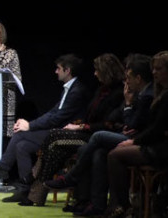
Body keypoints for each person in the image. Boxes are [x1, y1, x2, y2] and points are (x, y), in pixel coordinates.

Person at [45, 53, 155, 216]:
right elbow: (119, 118)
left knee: (88, 139)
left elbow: (126, 121)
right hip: (110, 133)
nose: (94, 74)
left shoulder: (133, 94)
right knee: (92, 151)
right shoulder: (106, 91)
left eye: (97, 70)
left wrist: (128, 107)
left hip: (111, 135)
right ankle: (92, 203)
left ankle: (67, 179)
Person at [0, 54, 91, 203]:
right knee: (22, 146)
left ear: (67, 70)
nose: (56, 71)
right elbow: (53, 113)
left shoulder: (77, 91)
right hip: (58, 132)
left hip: (66, 135)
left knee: (19, 136)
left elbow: (58, 118)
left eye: (58, 68)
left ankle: (2, 167)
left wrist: (29, 125)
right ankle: (25, 191)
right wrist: (29, 124)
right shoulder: (69, 89)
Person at [19, 53, 125, 207]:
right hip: (87, 132)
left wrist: (81, 126)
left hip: (96, 137)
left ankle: (35, 178)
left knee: (54, 136)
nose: (94, 74)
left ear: (106, 71)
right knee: (55, 148)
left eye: (97, 70)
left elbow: (109, 123)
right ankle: (36, 195)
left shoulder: (117, 93)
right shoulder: (101, 90)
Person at [104, 51, 168, 218]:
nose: (154, 73)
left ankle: (122, 207)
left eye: (158, 69)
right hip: (162, 144)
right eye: (153, 69)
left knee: (115, 155)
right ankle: (125, 206)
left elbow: (158, 129)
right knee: (116, 150)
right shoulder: (165, 93)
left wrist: (134, 141)